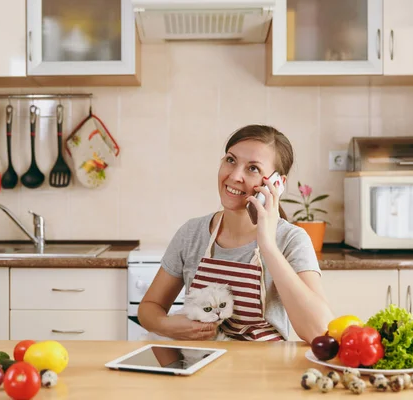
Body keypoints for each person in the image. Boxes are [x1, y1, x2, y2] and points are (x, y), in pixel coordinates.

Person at [138, 124, 334, 344]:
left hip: (263, 373)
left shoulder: (291, 240)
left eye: (253, 168)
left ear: (277, 184)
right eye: (230, 160)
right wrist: (167, 326)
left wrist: (267, 244)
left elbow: (320, 331)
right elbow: (148, 308)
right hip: (199, 366)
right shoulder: (191, 233)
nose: (235, 176)